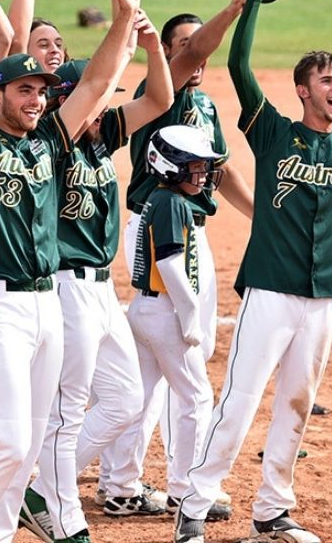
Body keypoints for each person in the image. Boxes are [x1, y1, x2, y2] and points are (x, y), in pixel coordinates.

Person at [175, 0, 332, 543]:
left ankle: (273, 509)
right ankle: (194, 504)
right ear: (303, 90)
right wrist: (253, 1)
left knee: (298, 404)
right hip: (270, 292)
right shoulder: (273, 134)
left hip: (322, 296)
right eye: (327, 81)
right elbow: (239, 69)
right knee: (239, 401)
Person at [0, 0, 141, 543]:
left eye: (40, 92)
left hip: (46, 305)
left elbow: (96, 84)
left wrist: (124, 14)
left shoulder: (50, 143)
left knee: (28, 443)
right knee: (8, 442)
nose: (35, 99)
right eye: (23, 90)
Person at [19, 0, 176, 543]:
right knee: (67, 409)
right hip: (63, 286)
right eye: (93, 90)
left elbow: (157, 99)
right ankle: (64, 518)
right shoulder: (50, 143)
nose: (106, 97)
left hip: (99, 291)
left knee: (126, 398)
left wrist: (152, 40)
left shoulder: (99, 136)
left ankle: (37, 491)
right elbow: (107, 72)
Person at [97, 0, 256, 518]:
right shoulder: (155, 92)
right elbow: (194, 51)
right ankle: (190, 488)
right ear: (170, 52)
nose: (200, 55)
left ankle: (120, 483)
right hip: (159, 224)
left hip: (189, 228)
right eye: (188, 46)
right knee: (184, 365)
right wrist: (237, 5)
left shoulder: (204, 106)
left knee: (149, 374)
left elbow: (224, 169)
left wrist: (262, 217)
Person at [121, 123, 226, 539]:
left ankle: (118, 484)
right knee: (197, 399)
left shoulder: (162, 198)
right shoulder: (171, 204)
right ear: (169, 166)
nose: (202, 174)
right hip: (165, 315)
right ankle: (186, 490)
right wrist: (190, 316)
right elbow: (169, 264)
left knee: (140, 399)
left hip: (147, 310)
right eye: (194, 167)